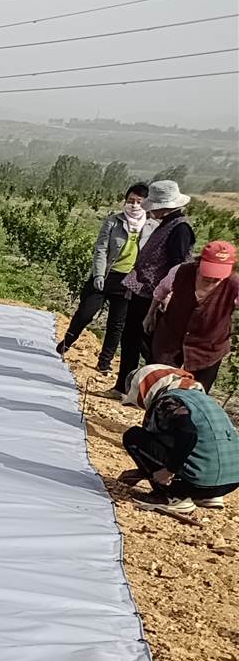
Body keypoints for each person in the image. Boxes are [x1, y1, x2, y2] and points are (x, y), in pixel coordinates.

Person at [118, 364, 239, 517]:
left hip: (199, 482)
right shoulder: (203, 399)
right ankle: (208, 496)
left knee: (134, 437)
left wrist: (169, 471)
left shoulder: (169, 401)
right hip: (230, 482)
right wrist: (143, 472)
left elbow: (188, 433)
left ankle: (172, 497)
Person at [116, 178, 195, 399]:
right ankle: (124, 387)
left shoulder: (180, 229)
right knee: (131, 338)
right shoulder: (167, 224)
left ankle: (152, 393)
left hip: (154, 296)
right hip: (144, 292)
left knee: (150, 346)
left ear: (164, 207)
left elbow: (177, 266)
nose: (151, 211)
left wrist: (166, 298)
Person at [56, 183, 148, 370]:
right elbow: (101, 249)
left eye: (139, 202)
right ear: (125, 200)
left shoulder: (149, 227)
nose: (134, 205)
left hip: (129, 280)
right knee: (85, 313)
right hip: (106, 275)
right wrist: (98, 274)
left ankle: (104, 362)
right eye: (131, 200)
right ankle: (66, 343)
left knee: (117, 324)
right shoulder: (113, 222)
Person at [145, 239, 236, 393]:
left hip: (208, 348)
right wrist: (150, 314)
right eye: (209, 271)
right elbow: (161, 291)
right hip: (171, 339)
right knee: (159, 388)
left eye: (218, 275)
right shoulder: (181, 271)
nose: (212, 278)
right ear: (201, 262)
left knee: (194, 396)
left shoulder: (234, 283)